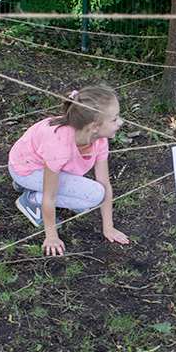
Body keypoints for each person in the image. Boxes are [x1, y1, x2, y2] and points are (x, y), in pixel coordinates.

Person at [8, 85, 129, 256]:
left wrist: (108, 227)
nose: (120, 122)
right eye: (114, 119)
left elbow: (105, 183)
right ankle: (31, 199)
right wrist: (51, 236)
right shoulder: (59, 145)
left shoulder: (99, 139)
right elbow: (50, 196)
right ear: (93, 127)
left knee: (95, 194)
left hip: (41, 165)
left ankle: (27, 185)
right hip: (25, 169)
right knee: (93, 195)